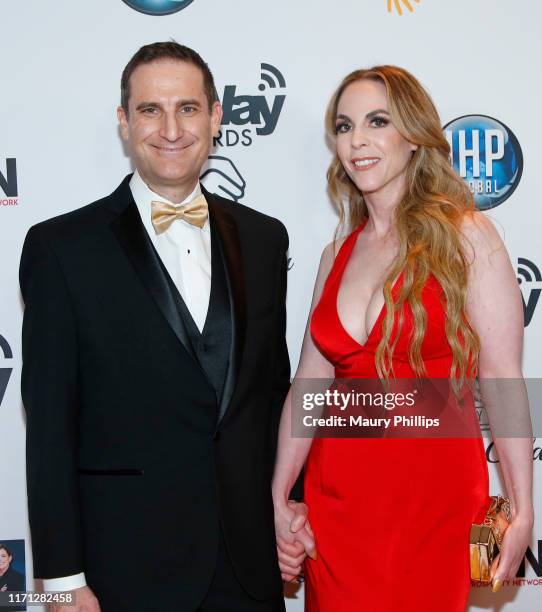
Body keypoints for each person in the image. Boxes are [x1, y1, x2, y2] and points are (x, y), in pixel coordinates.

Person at [20, 41, 303, 612]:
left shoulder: (265, 238)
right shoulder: (61, 248)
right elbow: (49, 425)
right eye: (150, 110)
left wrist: (287, 508)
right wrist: (60, 579)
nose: (171, 128)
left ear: (217, 117)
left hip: (249, 566)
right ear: (124, 122)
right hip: (122, 569)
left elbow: (274, 391)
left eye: (188, 108)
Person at [272, 66, 534, 611]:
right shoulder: (336, 253)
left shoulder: (467, 236)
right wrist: (279, 492)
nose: (357, 140)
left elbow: (503, 379)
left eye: (377, 121)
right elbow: (310, 386)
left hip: (434, 499)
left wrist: (522, 505)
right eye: (344, 126)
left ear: (413, 136)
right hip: (336, 501)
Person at [0, 544, 25, 611]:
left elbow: (11, 603)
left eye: (3, 556)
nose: (0, 559)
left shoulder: (18, 577)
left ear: (10, 558)